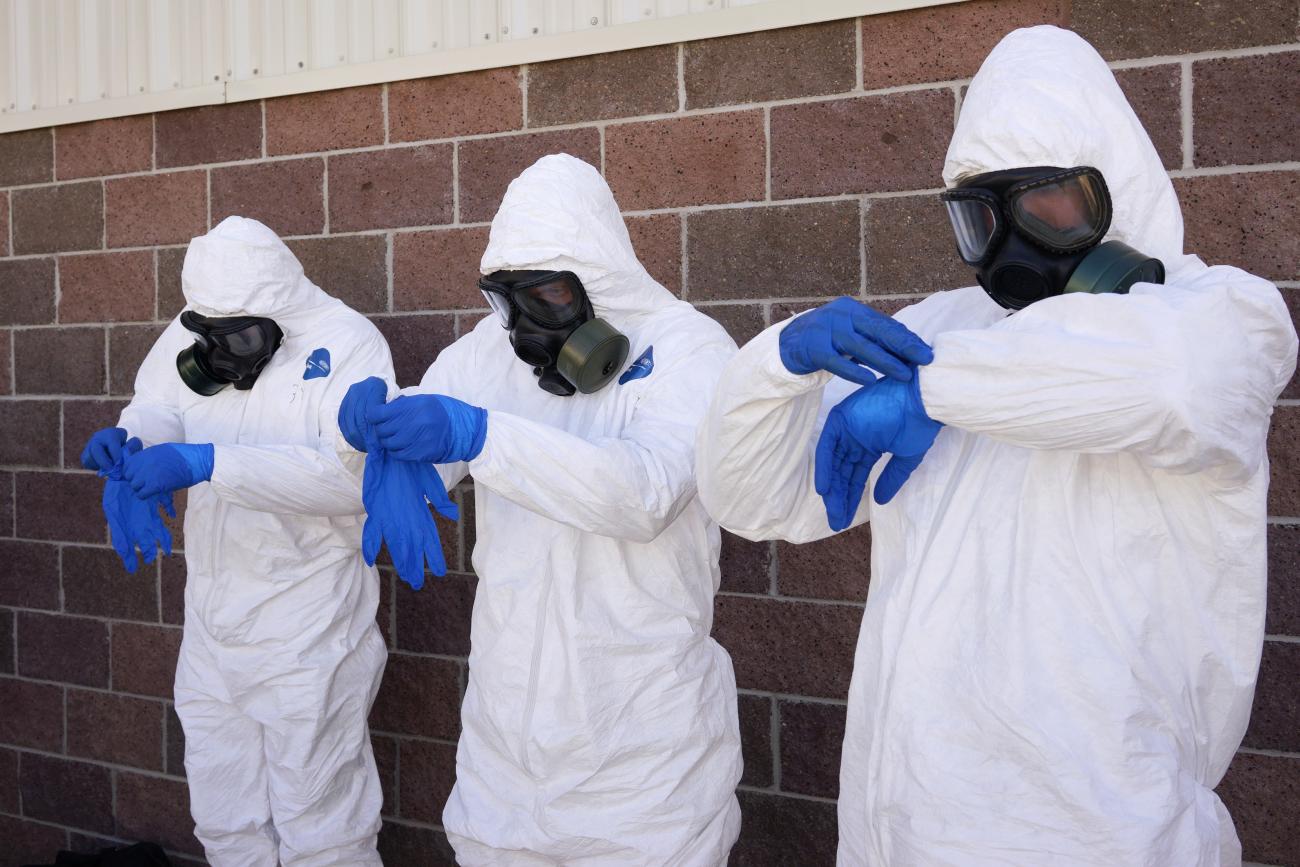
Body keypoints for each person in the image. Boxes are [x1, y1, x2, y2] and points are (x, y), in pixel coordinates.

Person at [695, 25, 1297, 867]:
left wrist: (938, 390)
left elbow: (1170, 386)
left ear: (1112, 187)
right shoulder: (936, 331)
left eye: (1047, 203)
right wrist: (778, 363)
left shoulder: (1221, 314)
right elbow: (755, 500)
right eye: (983, 215)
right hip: (903, 829)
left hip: (1103, 835)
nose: (1014, 239)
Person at [340, 154, 743, 865]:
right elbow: (425, 433)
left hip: (642, 761)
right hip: (506, 753)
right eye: (508, 300)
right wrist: (368, 433)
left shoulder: (688, 347)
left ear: (599, 277)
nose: (524, 326)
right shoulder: (491, 354)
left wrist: (480, 432)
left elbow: (643, 493)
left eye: (549, 296)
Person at [79, 216, 395, 866]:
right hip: (215, 632)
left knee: (324, 832)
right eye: (210, 337)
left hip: (308, 635)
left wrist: (209, 463)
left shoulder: (349, 343)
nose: (223, 351)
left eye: (241, 337)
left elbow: (351, 479)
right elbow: (161, 400)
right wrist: (134, 435)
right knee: (227, 824)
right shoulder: (199, 323)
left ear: (279, 308)